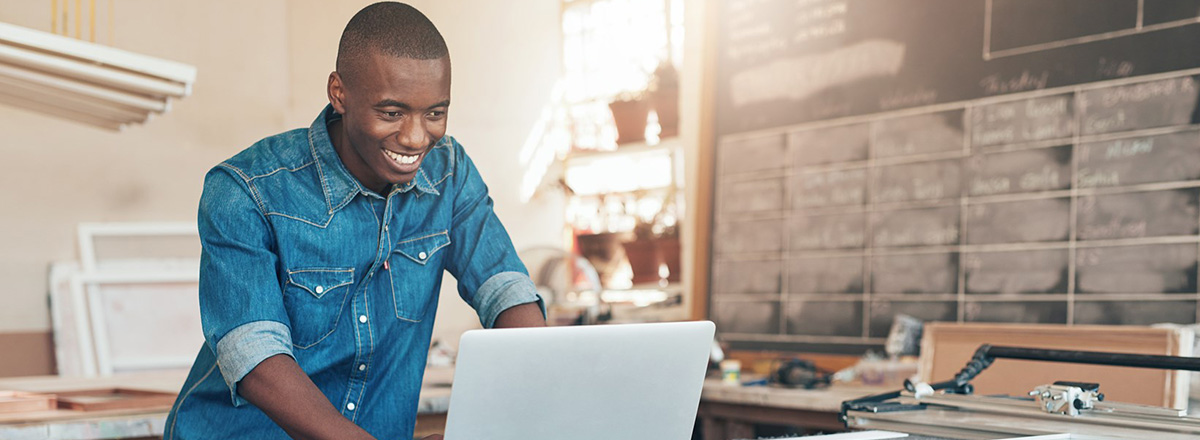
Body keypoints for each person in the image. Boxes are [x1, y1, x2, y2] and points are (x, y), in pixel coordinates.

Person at [164, 3, 546, 439]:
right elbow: (253, 356)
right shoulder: (246, 190)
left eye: (435, 113)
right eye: (391, 113)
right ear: (339, 92)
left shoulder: (449, 174)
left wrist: (525, 401)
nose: (416, 137)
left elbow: (506, 292)